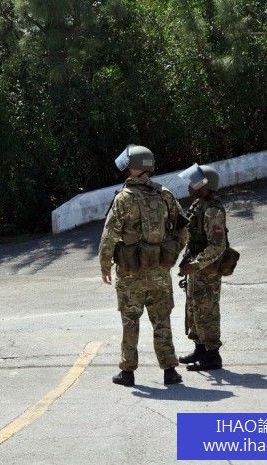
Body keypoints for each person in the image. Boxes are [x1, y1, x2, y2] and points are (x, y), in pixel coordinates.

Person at [98, 145, 188, 386]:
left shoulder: (124, 198)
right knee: (162, 321)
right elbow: (183, 229)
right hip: (160, 273)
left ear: (135, 168)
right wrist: (171, 254)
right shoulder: (165, 194)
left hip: (131, 274)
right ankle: (170, 371)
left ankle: (127, 372)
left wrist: (105, 266)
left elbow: (109, 236)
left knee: (130, 321)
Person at [177, 164, 226, 371]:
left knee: (207, 311)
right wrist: (186, 260)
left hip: (208, 270)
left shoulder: (213, 210)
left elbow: (217, 246)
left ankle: (212, 356)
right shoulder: (199, 205)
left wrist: (196, 264)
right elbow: (193, 237)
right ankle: (199, 349)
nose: (191, 186)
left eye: (195, 183)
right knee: (194, 309)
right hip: (197, 269)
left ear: (206, 185)